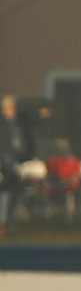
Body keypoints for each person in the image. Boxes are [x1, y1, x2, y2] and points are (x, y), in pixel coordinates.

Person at [0, 94, 30, 236]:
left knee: (14, 191)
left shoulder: (16, 123)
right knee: (4, 192)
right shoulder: (3, 124)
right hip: (5, 163)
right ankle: (3, 223)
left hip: (17, 162)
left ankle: (7, 221)